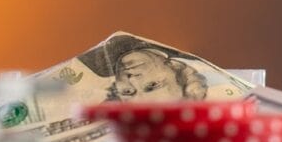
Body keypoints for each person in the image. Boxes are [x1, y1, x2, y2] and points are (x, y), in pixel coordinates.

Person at [76, 34, 208, 102]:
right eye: (152, 85)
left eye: (127, 92)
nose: (132, 79)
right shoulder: (190, 42)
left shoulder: (95, 62)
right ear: (175, 66)